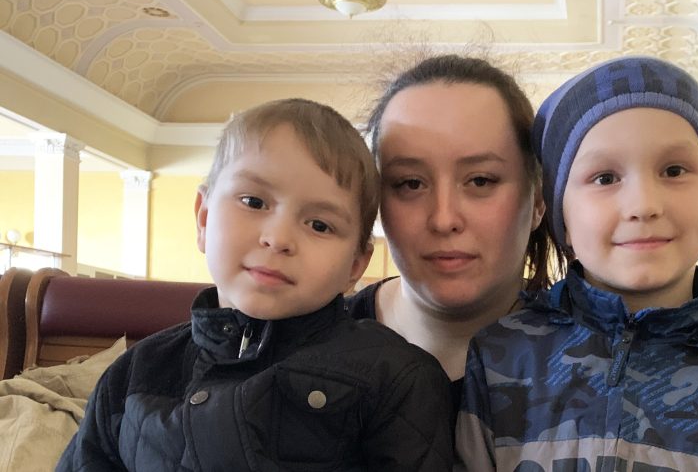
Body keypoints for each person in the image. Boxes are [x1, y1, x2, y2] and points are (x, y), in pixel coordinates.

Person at [457, 57, 698, 471]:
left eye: (674, 170)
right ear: (559, 214)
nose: (643, 205)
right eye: (605, 178)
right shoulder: (503, 356)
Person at [58, 99, 453, 471]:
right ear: (204, 218)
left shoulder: (396, 378)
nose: (278, 238)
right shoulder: (137, 370)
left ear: (355, 265)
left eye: (319, 225)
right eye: (253, 202)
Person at [348, 55, 550, 416]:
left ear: (537, 201)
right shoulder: (313, 342)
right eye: (410, 183)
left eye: (480, 181)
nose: (444, 219)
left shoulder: (594, 363)